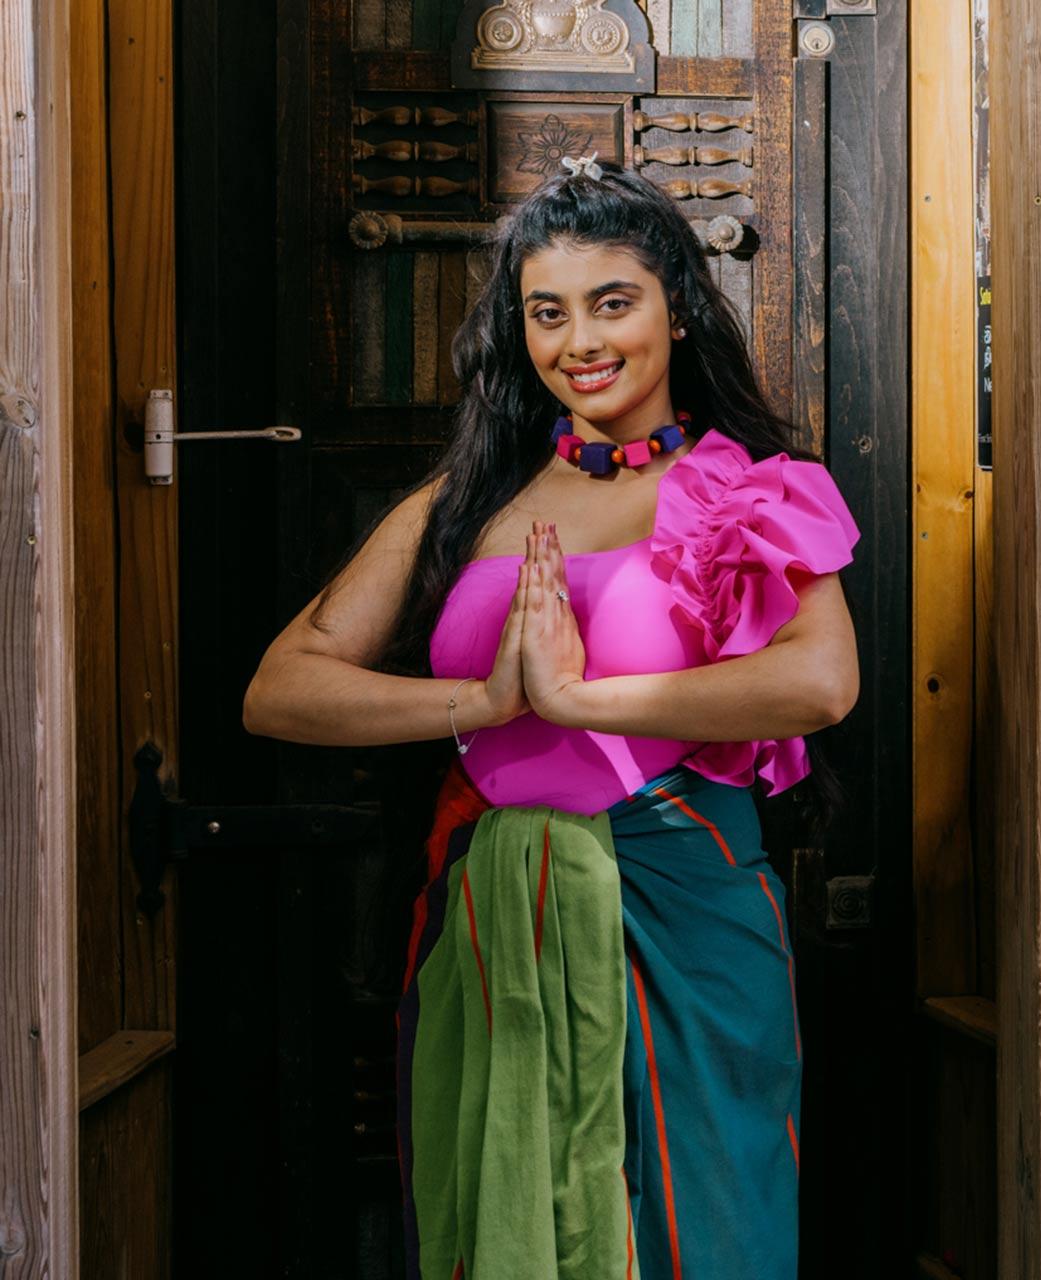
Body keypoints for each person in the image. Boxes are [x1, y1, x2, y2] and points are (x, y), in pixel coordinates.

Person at [243, 156, 860, 1279]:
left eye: (611, 302)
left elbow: (820, 682)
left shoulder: (746, 487)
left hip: (683, 904)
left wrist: (582, 700)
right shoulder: (470, 497)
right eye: (547, 311)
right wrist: (481, 704)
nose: (579, 338)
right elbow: (284, 686)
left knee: (703, 1231)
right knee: (500, 1217)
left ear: (677, 304)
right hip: (491, 917)